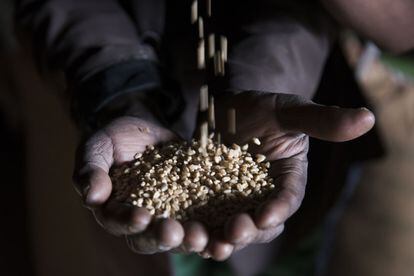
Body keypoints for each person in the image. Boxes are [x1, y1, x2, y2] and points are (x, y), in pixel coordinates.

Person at [15, 0, 413, 274]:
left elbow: (397, 24)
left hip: (302, 109)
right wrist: (120, 92)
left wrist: (264, 86)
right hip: (89, 89)